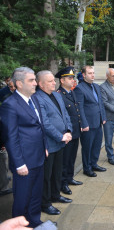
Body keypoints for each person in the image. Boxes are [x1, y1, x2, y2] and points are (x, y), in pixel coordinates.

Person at [0, 67, 47, 227]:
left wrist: (44, 147)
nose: (35, 83)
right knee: (22, 198)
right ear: (19, 83)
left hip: (38, 157)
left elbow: (40, 127)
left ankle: (34, 221)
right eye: (31, 80)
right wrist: (19, 164)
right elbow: (10, 137)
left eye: (35, 79)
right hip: (24, 162)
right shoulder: (10, 105)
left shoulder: (33, 99)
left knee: (35, 195)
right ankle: (18, 226)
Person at [35, 70, 73, 215]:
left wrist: (68, 130)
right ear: (41, 84)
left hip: (61, 141)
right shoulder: (37, 98)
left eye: (53, 80)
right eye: (50, 81)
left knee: (57, 171)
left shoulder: (57, 95)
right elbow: (44, 123)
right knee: (47, 175)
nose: (54, 82)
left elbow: (65, 115)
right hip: (49, 143)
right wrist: (60, 136)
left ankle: (55, 195)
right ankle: (45, 203)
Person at [74, 66, 107, 177]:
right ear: (84, 75)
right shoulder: (79, 88)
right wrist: (84, 123)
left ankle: (94, 164)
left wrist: (103, 117)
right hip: (88, 124)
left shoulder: (96, 87)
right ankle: (87, 168)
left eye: (93, 73)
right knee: (87, 147)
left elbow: (100, 103)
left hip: (98, 122)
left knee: (97, 145)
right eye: (90, 73)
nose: (93, 75)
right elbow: (80, 108)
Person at [55, 67, 83, 196]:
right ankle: (63, 183)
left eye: (73, 78)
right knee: (65, 160)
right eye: (70, 78)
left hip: (75, 131)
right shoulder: (59, 95)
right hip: (66, 133)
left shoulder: (72, 93)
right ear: (62, 80)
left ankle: (70, 177)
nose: (73, 80)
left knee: (72, 157)